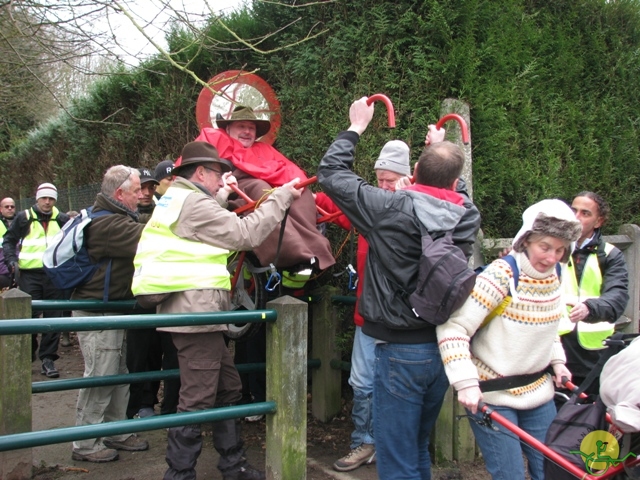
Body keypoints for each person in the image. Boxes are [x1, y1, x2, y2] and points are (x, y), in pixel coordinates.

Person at [317, 97, 481, 480]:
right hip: (442, 347)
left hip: (398, 349)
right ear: (455, 182)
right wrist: (436, 151)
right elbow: (457, 192)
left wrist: (356, 126)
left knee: (395, 458)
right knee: (416, 449)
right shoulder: (466, 215)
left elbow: (331, 172)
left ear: (415, 173)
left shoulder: (387, 208)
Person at [131, 141, 302, 480]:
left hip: (193, 312)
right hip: (196, 315)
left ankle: (232, 464)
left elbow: (199, 224)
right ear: (201, 173)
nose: (223, 178)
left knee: (227, 388)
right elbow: (245, 233)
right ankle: (179, 473)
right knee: (197, 397)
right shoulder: (193, 203)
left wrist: (221, 198)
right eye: (218, 174)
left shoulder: (175, 199)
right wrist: (281, 196)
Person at [316, 129, 445, 472]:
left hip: (404, 327)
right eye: (380, 179)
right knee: (361, 381)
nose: (385, 186)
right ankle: (365, 442)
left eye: (392, 180)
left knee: (397, 403)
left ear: (410, 177)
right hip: (369, 317)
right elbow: (332, 198)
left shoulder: (420, 209)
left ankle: (388, 448)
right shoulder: (373, 210)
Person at [436, 199, 582, 480]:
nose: (551, 257)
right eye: (545, 247)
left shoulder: (557, 274)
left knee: (553, 472)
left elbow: (546, 327)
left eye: (560, 250)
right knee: (510, 475)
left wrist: (558, 362)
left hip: (539, 394)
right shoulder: (501, 275)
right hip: (493, 395)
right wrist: (465, 383)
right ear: (526, 240)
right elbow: (454, 328)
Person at [194, 106, 335, 274]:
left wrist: (298, 184)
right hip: (234, 186)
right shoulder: (216, 140)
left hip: (266, 185)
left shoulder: (263, 149)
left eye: (251, 128)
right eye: (242, 126)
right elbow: (195, 170)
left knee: (301, 193)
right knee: (262, 189)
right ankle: (290, 253)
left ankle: (314, 251)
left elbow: (288, 169)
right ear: (228, 128)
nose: (247, 131)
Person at [70, 166, 149, 463]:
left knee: (118, 373)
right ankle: (85, 443)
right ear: (120, 194)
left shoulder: (114, 218)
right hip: (98, 312)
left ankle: (116, 430)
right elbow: (150, 236)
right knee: (100, 374)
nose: (141, 195)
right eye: (136, 190)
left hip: (111, 310)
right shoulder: (107, 226)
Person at [559, 192, 629, 394]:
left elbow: (617, 297)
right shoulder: (553, 248)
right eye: (573, 210)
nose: (576, 217)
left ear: (599, 221)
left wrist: (590, 308)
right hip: (554, 351)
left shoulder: (610, 255)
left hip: (592, 355)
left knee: (588, 418)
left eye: (585, 213)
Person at [3, 183, 69, 377]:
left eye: (51, 198)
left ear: (55, 200)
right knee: (29, 315)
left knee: (54, 317)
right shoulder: (23, 218)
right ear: (37, 198)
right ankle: (29, 348)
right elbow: (9, 240)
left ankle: (48, 359)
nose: (47, 202)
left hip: (53, 275)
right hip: (29, 274)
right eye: (44, 198)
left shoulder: (62, 219)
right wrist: (11, 261)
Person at [0, 197, 16, 289]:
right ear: (1, 209)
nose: (10, 208)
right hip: (3, 271)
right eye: (7, 207)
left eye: (12, 207)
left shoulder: (22, 223)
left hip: (18, 270)